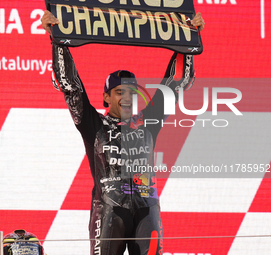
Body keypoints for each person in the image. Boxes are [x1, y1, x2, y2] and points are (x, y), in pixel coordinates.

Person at [42, 11, 204, 255]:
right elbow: (71, 87)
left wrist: (189, 38)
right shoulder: (93, 124)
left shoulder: (149, 121)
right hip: (109, 210)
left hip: (147, 210)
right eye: (119, 92)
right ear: (106, 97)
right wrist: (57, 41)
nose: (127, 98)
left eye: (131, 92)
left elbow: (176, 84)